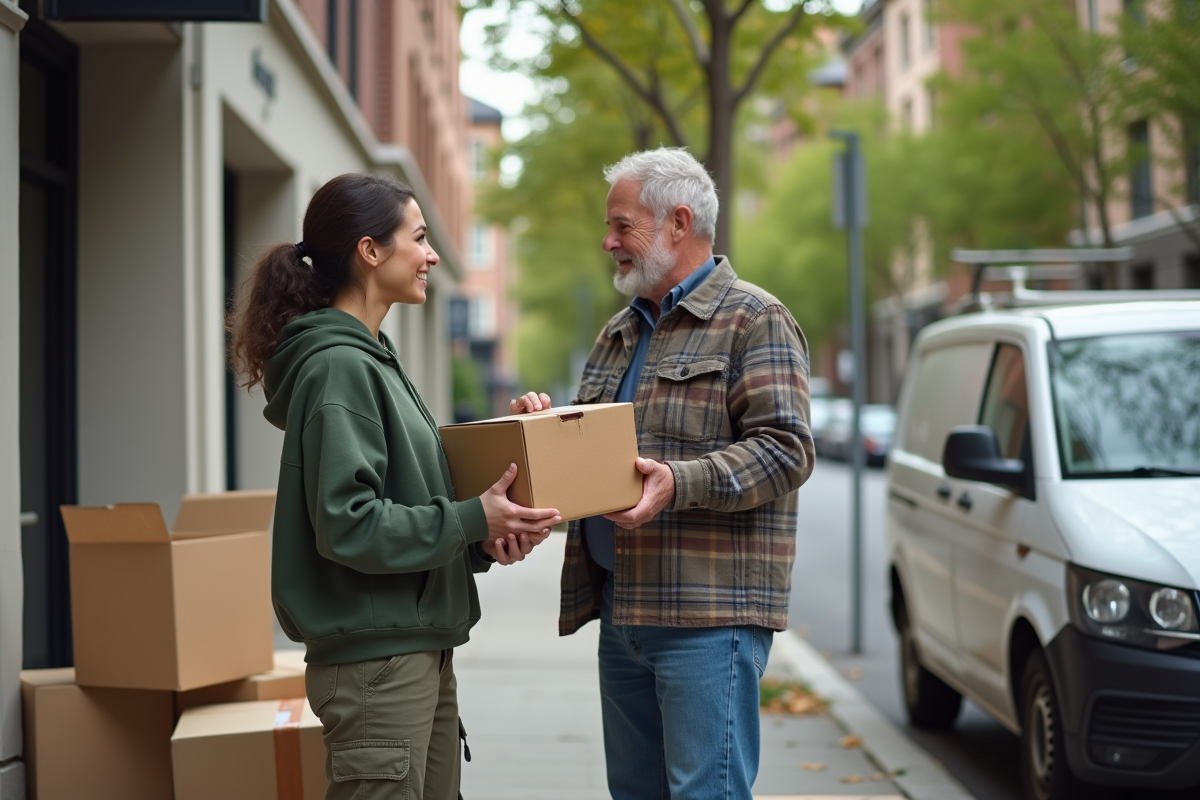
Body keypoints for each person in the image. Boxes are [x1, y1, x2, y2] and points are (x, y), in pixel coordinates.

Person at [230, 173, 562, 800]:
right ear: (370, 251)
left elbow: (407, 503)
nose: (433, 255)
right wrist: (470, 520)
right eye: (420, 237)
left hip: (412, 652)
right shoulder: (339, 367)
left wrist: (488, 525)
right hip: (379, 667)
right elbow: (350, 524)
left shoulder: (372, 358)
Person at [512, 148, 814, 800]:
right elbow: (594, 455)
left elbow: (788, 450)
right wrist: (540, 431)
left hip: (707, 620)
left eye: (622, 226)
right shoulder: (617, 333)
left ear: (679, 222)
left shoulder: (755, 320)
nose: (608, 240)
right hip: (623, 612)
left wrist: (680, 482)